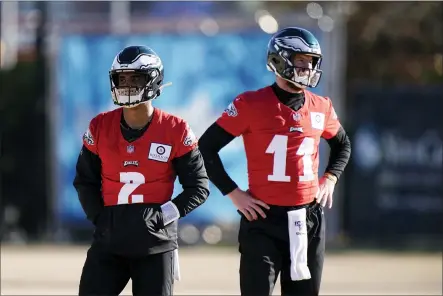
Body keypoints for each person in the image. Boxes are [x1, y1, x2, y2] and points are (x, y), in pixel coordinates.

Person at [198, 27, 351, 296]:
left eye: (311, 61)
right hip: (263, 218)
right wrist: (233, 194)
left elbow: (342, 145)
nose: (307, 67)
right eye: (301, 59)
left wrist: (330, 178)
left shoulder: (321, 106)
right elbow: (206, 148)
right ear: (280, 59)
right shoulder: (250, 104)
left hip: (307, 218)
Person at [73, 45, 210, 296]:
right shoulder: (100, 125)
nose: (126, 84)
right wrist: (101, 219)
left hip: (155, 245)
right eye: (121, 78)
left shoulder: (175, 129)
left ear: (153, 80)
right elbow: (85, 181)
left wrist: (162, 215)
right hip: (109, 243)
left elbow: (198, 187)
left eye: (135, 77)